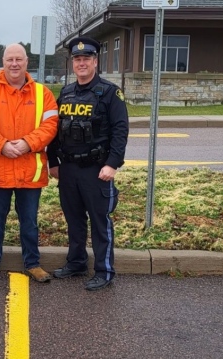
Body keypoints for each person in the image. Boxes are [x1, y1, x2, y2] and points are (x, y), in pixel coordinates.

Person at [0, 43, 59, 284]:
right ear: (3, 62)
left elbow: (50, 126)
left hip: (30, 171)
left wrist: (28, 143)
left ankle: (33, 264)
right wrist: (2, 145)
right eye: (10, 59)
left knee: (29, 221)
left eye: (19, 59)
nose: (14, 64)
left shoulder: (43, 93)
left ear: (26, 62)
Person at [47, 37, 129, 291]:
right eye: (77, 59)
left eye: (86, 58)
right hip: (69, 168)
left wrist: (113, 164)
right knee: (74, 220)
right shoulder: (66, 92)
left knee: (99, 221)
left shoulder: (109, 92)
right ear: (73, 63)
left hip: (97, 169)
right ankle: (77, 262)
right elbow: (55, 130)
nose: (81, 63)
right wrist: (53, 161)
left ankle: (104, 270)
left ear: (95, 61)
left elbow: (120, 130)